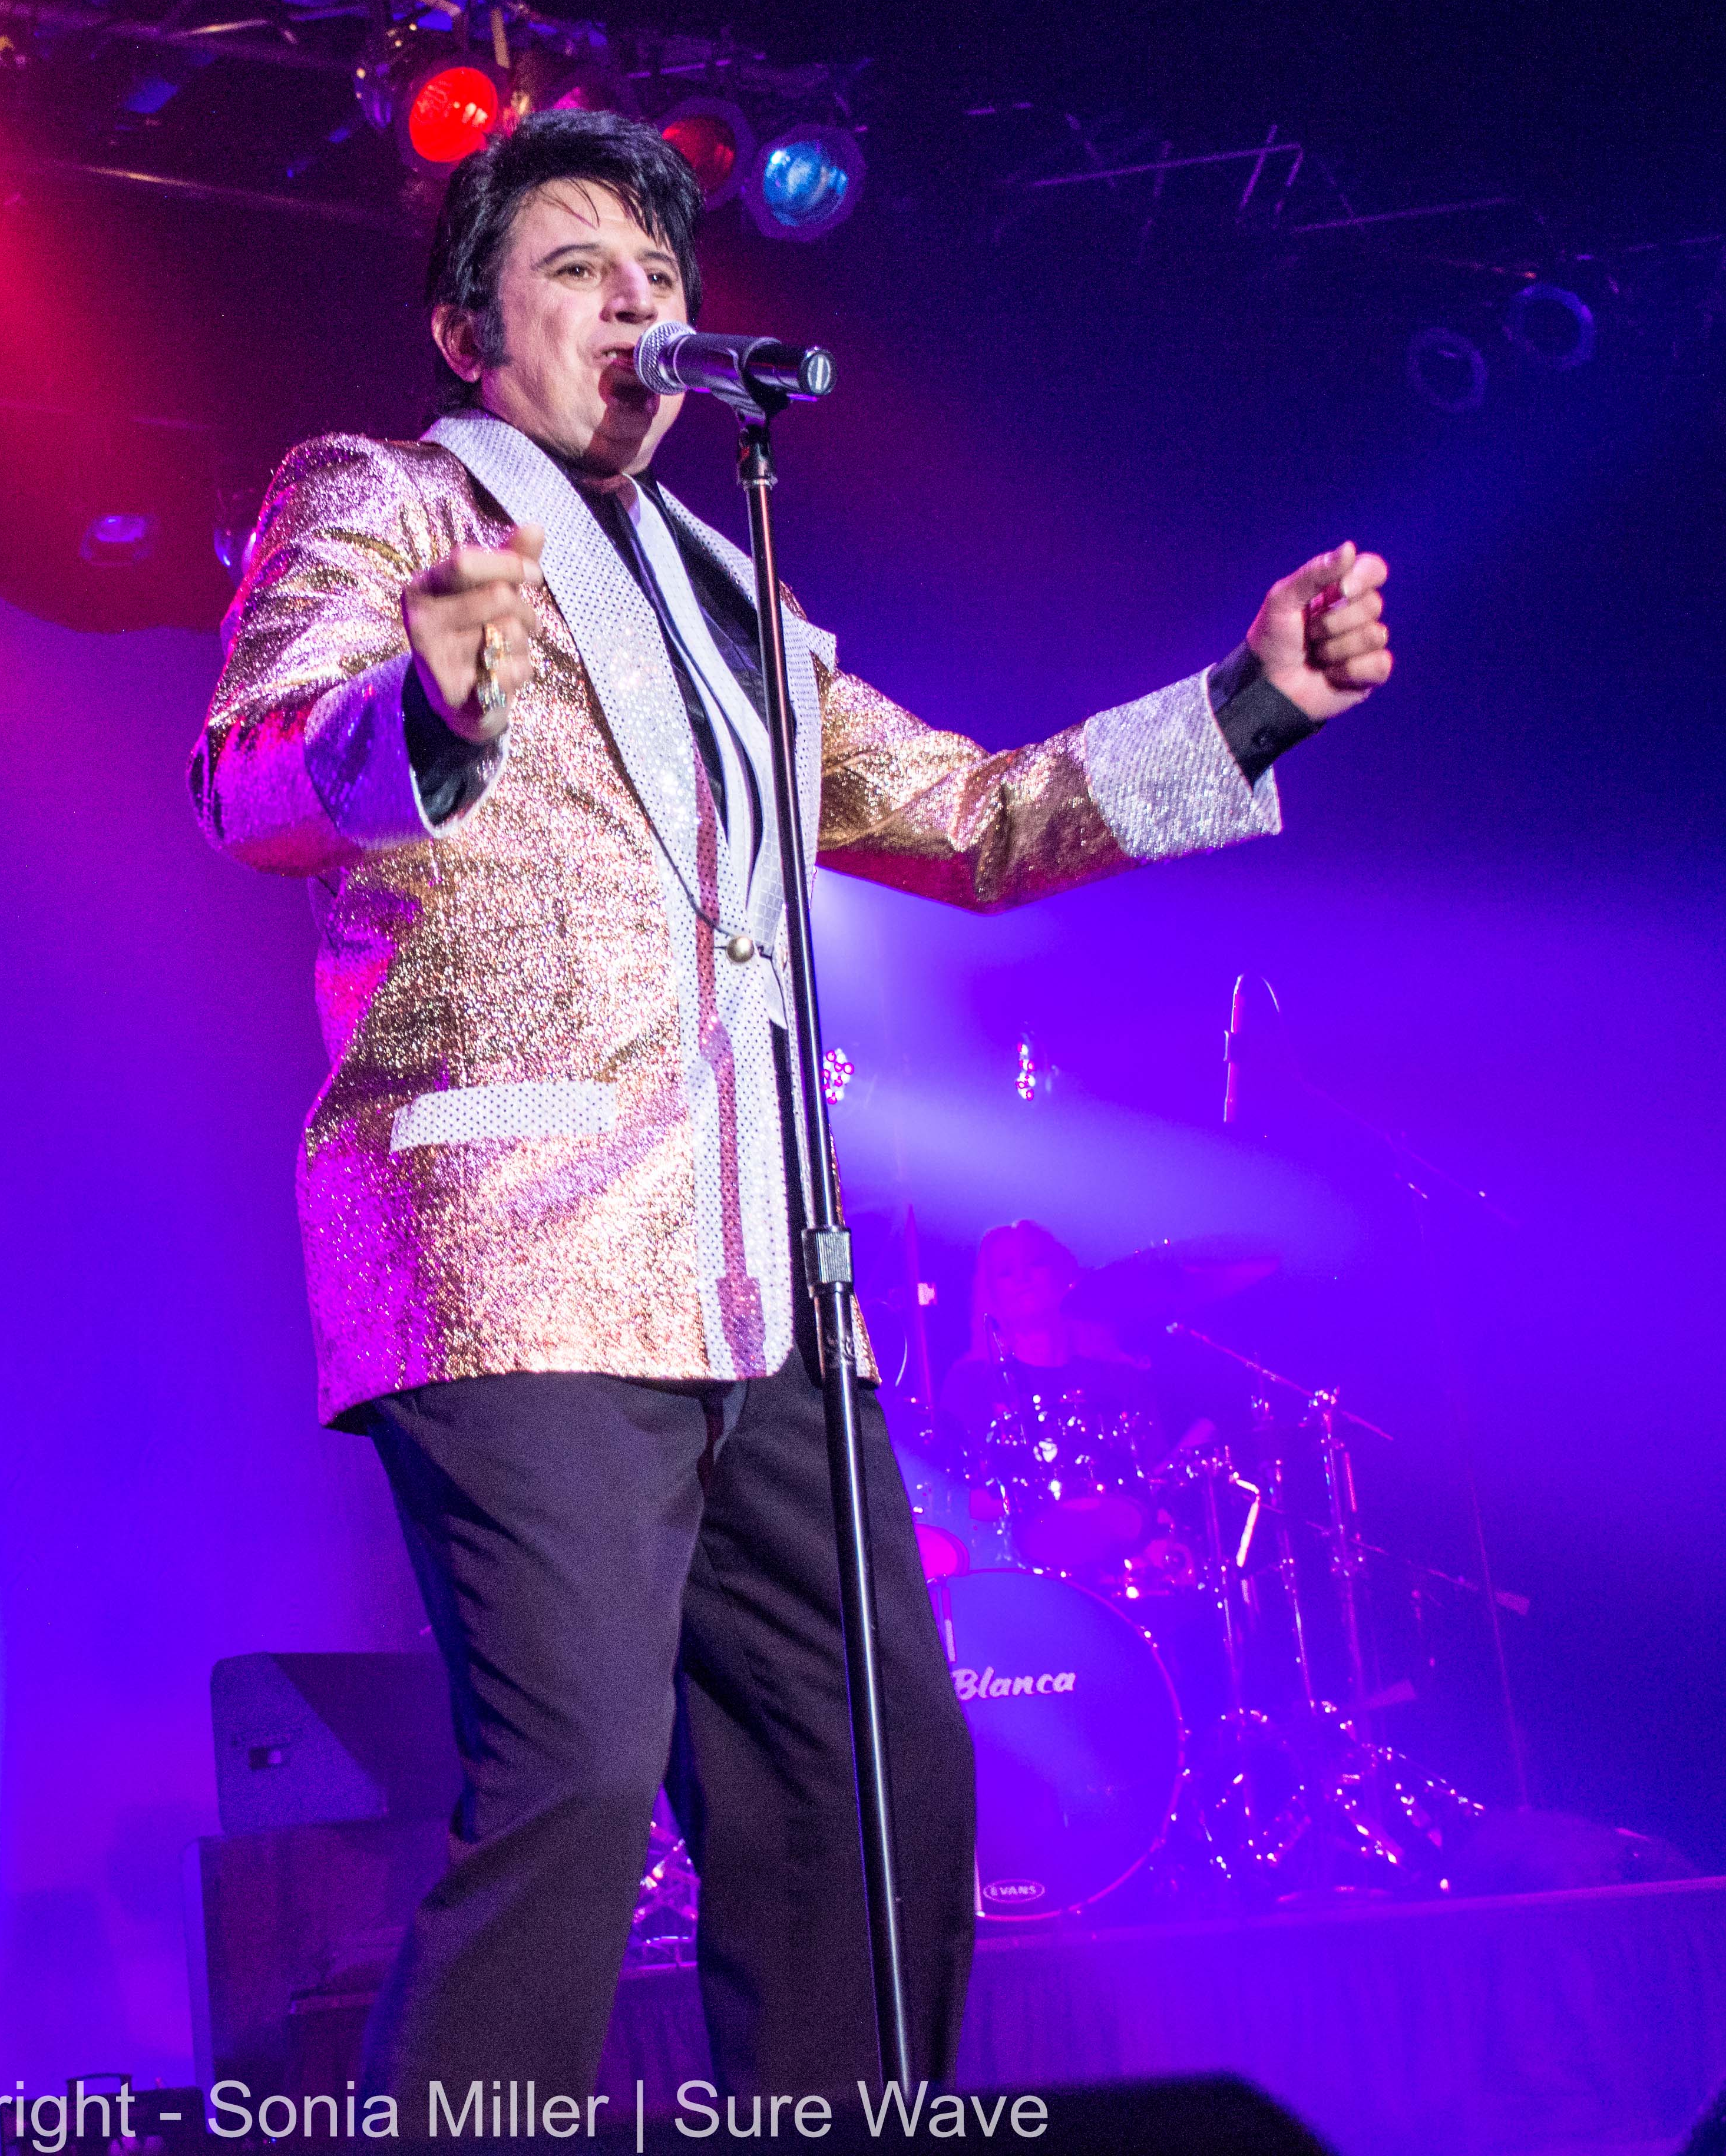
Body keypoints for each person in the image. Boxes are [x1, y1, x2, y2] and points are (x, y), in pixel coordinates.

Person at [186, 110, 1392, 2105]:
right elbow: (251, 778)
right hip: (515, 1257)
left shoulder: (735, 597)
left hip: (760, 1280)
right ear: (467, 328)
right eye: (577, 268)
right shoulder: (382, 495)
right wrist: (431, 703)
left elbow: (976, 818)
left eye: (660, 276)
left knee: (874, 1787)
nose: (635, 304)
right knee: (575, 1781)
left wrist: (1248, 705)